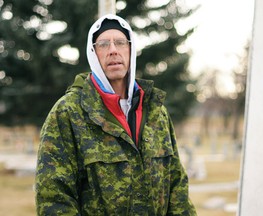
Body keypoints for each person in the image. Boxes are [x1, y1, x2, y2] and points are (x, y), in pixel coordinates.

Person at [35, 14, 197, 215]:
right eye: (103, 44)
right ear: (93, 53)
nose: (113, 50)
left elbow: (177, 187)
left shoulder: (156, 112)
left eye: (120, 42)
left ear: (131, 50)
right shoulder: (68, 112)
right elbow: (54, 199)